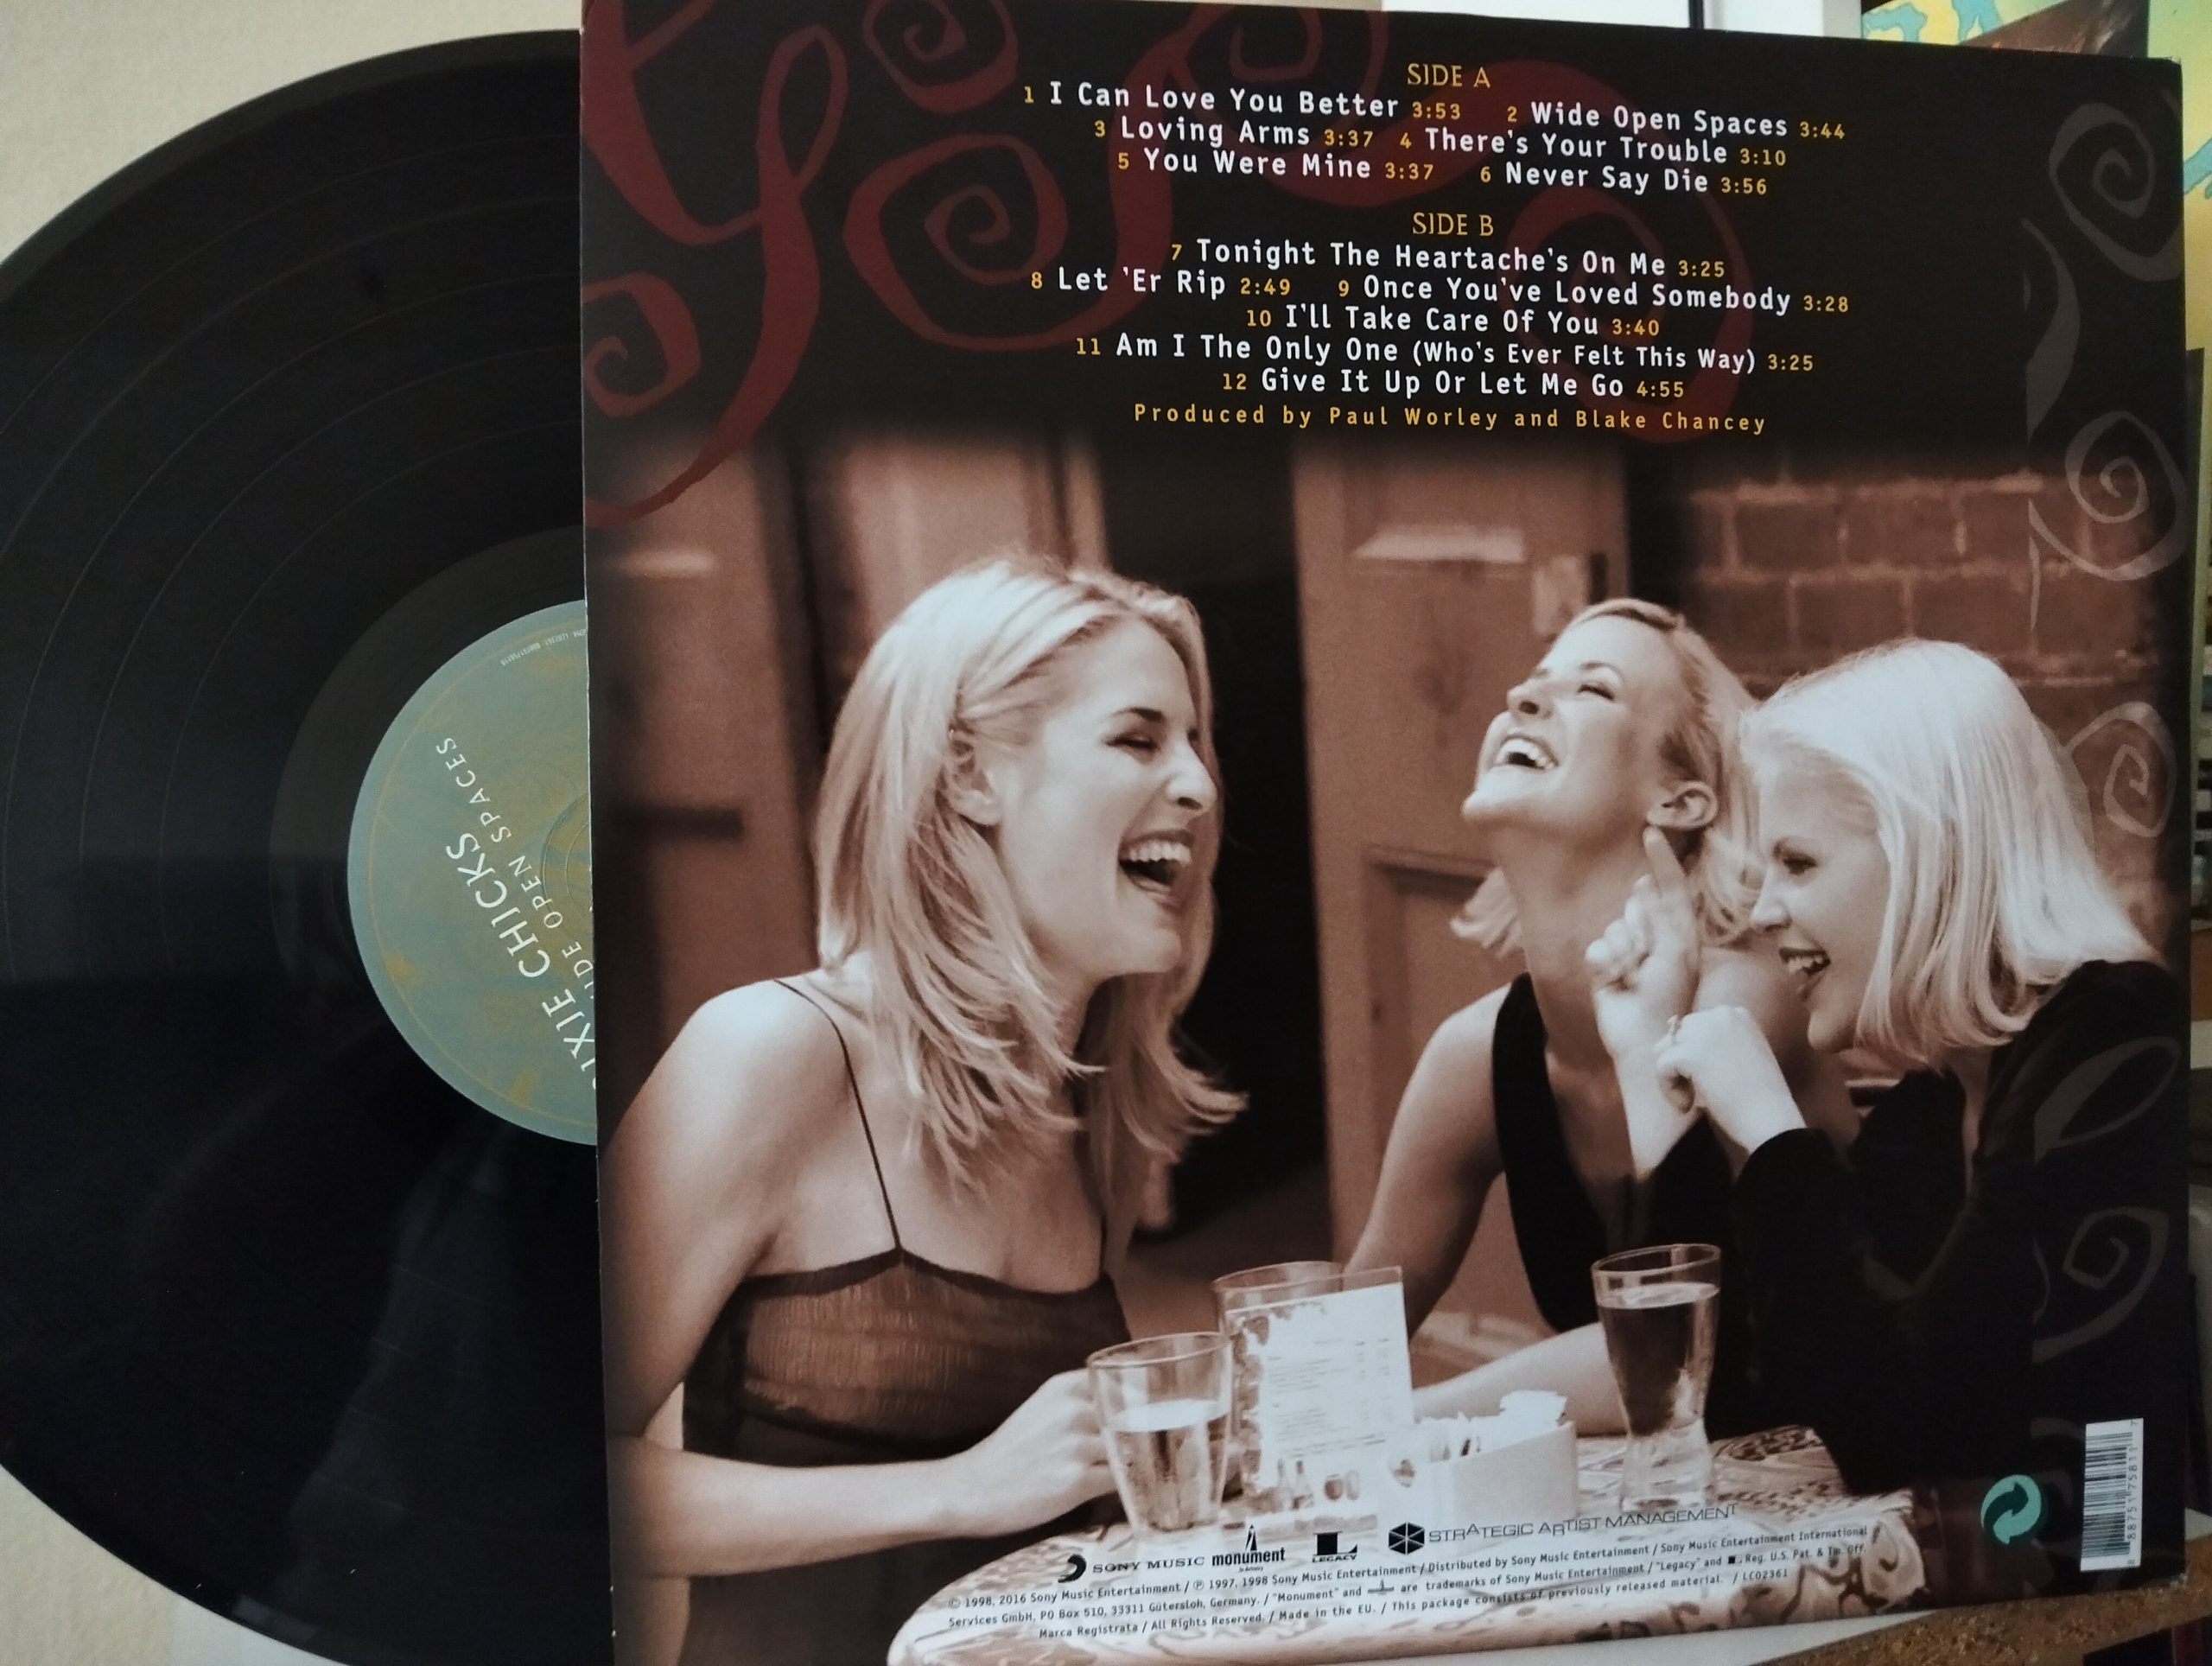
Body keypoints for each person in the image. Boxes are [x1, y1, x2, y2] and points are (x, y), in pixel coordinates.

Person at [600, 558, 1240, 1666]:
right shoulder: (773, 1052)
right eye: (1138, 739)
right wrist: (956, 1487)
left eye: (1194, 744)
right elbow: (525, 1467)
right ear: (970, 775)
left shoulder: (1094, 1097)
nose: (1197, 785)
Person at [1605, 639, 2187, 1588]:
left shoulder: (2112, 1041)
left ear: (1931, 852)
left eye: (1798, 862)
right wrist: (1647, 1060)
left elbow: (1909, 1430)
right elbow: (1743, 1393)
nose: (1760, 911)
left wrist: (1774, 1133)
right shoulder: (1940, 1097)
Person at [1349, 600, 1852, 1435]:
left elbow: (1685, 1343)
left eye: (1594, 688)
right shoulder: (1474, 1057)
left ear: (1680, 800)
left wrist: (1404, 1423)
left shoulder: (1738, 1006)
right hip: (1672, 1486)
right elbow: (1348, 1346)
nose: (1522, 698)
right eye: (1534, 681)